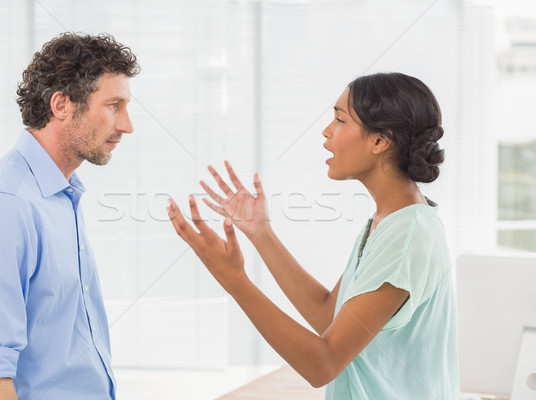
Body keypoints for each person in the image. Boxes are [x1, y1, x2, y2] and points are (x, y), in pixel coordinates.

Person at [167, 72, 459, 399]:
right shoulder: (388, 223)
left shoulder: (407, 236)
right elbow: (328, 314)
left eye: (339, 120)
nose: (326, 132)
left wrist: (235, 281)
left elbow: (323, 363)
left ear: (380, 141)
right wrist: (261, 234)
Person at [0, 32, 139, 400]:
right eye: (114, 105)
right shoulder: (6, 204)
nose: (127, 125)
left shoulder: (61, 195)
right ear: (62, 105)